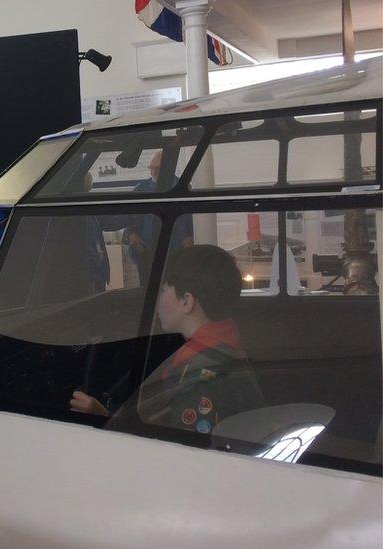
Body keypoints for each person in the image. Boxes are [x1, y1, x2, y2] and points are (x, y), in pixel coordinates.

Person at [69, 245, 265, 434]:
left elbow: (177, 449)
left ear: (186, 301)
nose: (158, 299)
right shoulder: (224, 350)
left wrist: (105, 419)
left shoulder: (200, 375)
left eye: (163, 290)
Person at [123, 151, 194, 283]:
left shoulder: (183, 188)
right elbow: (129, 220)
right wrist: (130, 234)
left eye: (157, 169)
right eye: (151, 168)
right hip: (147, 254)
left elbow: (193, 220)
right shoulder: (141, 190)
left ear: (168, 168)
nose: (153, 172)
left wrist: (192, 236)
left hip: (178, 254)